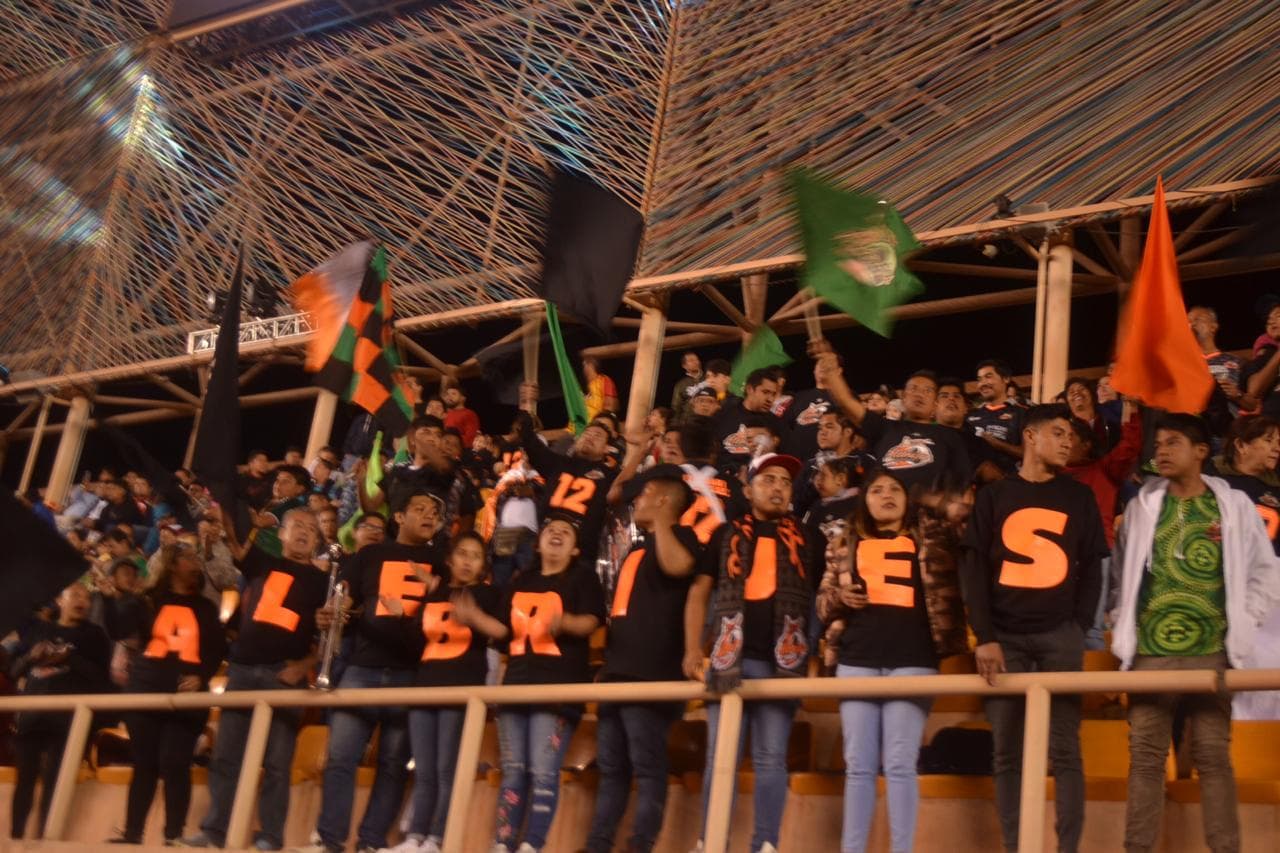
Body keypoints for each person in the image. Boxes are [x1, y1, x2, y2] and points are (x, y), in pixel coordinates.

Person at [1110, 413, 1280, 853]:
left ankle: (1226, 849)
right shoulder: (1140, 506)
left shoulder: (1235, 505)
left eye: (1172, 443)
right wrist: (1119, 621)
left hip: (1211, 650)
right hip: (1150, 652)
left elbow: (1265, 570)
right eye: (1158, 444)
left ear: (1201, 451)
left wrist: (1244, 618)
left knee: (1213, 758)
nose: (1160, 451)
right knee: (1145, 760)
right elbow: (1121, 577)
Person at [959, 404, 1107, 853]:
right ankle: (1015, 846)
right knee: (1008, 753)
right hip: (1004, 640)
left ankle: (1067, 850)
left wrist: (1077, 626)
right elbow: (973, 566)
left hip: (1059, 637)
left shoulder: (1079, 496)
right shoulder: (994, 496)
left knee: (1065, 751)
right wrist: (984, 636)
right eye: (1058, 433)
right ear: (1030, 436)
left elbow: (1093, 568)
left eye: (1071, 436)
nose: (1067, 442)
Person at [817, 469, 966, 853]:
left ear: (907, 498)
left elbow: (967, 521)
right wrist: (840, 599)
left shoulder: (933, 537)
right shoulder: (842, 543)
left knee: (900, 763)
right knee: (859, 766)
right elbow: (820, 605)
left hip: (913, 658)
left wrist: (935, 502)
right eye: (877, 490)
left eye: (895, 489)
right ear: (863, 500)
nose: (886, 495)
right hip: (856, 658)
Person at [300, 490, 447, 853]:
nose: (429, 515)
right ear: (398, 516)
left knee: (394, 765)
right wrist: (332, 613)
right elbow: (344, 598)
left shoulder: (442, 560)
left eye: (435, 513)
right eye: (420, 508)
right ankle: (330, 840)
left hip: (413, 671)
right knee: (340, 758)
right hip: (362, 668)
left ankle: (371, 841)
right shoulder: (370, 554)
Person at [686, 452, 812, 853]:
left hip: (782, 664)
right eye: (768, 479)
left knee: (772, 758)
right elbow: (699, 591)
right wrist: (692, 646)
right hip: (729, 660)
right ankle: (712, 841)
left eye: (784, 482)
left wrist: (816, 649)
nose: (777, 487)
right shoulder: (725, 535)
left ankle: (766, 843)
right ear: (747, 489)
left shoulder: (811, 538)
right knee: (718, 759)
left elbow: (821, 599)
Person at [183, 510, 329, 851]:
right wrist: (234, 524)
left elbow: (330, 640)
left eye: (312, 529)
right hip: (243, 669)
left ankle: (271, 836)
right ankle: (216, 831)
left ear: (318, 542)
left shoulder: (323, 582)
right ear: (282, 534)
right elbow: (234, 543)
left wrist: (303, 667)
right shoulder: (263, 564)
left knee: (277, 763)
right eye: (298, 526)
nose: (305, 533)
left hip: (285, 675)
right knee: (226, 757)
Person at [584, 466, 700, 853]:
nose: (637, 499)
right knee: (612, 769)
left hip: (653, 676)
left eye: (646, 492)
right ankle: (599, 844)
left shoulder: (683, 537)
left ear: (664, 499)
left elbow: (677, 567)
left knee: (649, 768)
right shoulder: (635, 547)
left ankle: (640, 845)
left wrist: (665, 523)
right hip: (618, 673)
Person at [383, 532, 505, 853]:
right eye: (462, 553)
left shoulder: (488, 594)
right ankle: (414, 838)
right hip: (425, 685)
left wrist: (474, 617)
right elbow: (416, 643)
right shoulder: (435, 594)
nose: (467, 561)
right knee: (424, 769)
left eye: (475, 556)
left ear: (483, 565)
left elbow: (501, 632)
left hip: (461, 688)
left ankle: (436, 839)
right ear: (450, 560)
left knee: (446, 770)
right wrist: (399, 617)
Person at [491, 513, 605, 853]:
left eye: (565, 532)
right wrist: (473, 618)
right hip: (515, 686)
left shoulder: (584, 578)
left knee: (543, 771)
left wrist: (564, 621)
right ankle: (502, 842)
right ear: (538, 544)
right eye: (550, 530)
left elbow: (592, 623)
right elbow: (500, 632)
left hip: (557, 688)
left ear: (574, 549)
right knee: (513, 770)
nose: (556, 534)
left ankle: (532, 843)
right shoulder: (519, 580)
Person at [111, 544, 226, 845]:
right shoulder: (148, 601)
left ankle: (173, 836)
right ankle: (132, 833)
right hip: (145, 690)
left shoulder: (206, 608)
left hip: (185, 699)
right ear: (172, 565)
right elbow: (119, 629)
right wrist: (121, 598)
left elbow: (215, 650)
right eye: (189, 557)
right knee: (144, 764)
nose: (196, 562)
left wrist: (200, 676)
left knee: (175, 762)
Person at [9, 583, 111, 840]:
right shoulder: (39, 629)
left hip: (67, 722)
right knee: (25, 782)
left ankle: (47, 840)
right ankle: (16, 838)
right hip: (32, 717)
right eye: (75, 594)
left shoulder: (94, 635)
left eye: (87, 597)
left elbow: (102, 680)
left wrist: (70, 658)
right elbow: (13, 672)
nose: (82, 600)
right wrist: (31, 657)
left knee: (56, 784)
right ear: (60, 600)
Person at [820, 354, 971, 494]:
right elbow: (846, 402)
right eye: (913, 388)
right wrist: (831, 369)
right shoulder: (884, 427)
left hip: (929, 517)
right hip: (885, 510)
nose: (919, 394)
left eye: (927, 390)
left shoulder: (949, 436)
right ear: (903, 398)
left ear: (936, 404)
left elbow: (962, 483)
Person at [513, 411, 618, 568]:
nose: (589, 437)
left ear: (607, 449)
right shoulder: (558, 463)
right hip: (544, 546)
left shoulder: (611, 475)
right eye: (586, 433)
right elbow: (533, 447)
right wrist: (525, 422)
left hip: (580, 557)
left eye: (597, 435)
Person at [712, 367, 785, 470]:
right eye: (765, 392)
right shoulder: (723, 415)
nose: (770, 399)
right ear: (750, 389)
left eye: (773, 394)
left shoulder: (776, 423)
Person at [965, 360, 1025, 475]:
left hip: (1008, 485)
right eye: (979, 379)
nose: (982, 384)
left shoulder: (1022, 413)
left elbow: (1029, 453)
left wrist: (997, 444)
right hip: (973, 486)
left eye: (988, 377)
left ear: (1006, 379)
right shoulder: (969, 416)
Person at [783, 353, 845, 460]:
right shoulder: (798, 397)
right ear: (814, 370)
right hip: (797, 462)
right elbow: (785, 427)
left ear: (839, 371)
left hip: (831, 462)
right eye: (819, 364)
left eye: (827, 364)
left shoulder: (845, 398)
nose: (822, 367)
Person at [1189, 306, 1245, 423]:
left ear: (1213, 327)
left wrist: (1238, 395)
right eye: (1188, 322)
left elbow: (1253, 403)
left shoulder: (1235, 361)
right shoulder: (1183, 362)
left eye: (1197, 319)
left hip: (1227, 430)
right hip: (1195, 428)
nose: (1192, 324)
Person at [1064, 378, 1120, 453]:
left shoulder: (1110, 420)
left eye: (1082, 389)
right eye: (1071, 392)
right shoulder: (1066, 428)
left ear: (1092, 394)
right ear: (1067, 400)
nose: (1076, 393)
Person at [442, 383, 481, 449]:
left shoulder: (469, 414)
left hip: (461, 451)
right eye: (448, 394)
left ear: (463, 398)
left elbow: (471, 437)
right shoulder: (446, 414)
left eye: (453, 394)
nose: (449, 396)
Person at [583, 355, 619, 421]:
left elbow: (611, 405)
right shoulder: (589, 385)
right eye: (584, 366)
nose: (585, 369)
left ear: (593, 367)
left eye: (587, 366)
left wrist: (602, 420)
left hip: (598, 421)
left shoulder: (604, 380)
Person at [672, 351, 704, 418]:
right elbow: (676, 406)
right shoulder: (681, 384)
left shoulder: (708, 378)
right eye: (691, 360)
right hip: (688, 421)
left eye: (697, 359)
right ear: (684, 366)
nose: (696, 362)